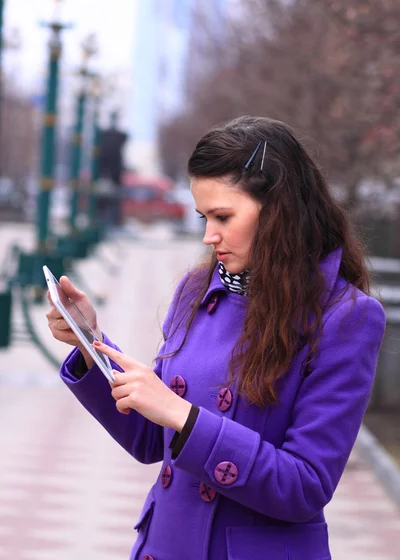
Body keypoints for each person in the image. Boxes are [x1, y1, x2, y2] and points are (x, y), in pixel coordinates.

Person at [46, 116, 386, 560]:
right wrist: (92, 346)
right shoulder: (198, 289)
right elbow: (152, 439)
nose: (210, 236)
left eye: (223, 216)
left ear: (279, 209)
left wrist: (186, 417)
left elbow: (305, 486)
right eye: (203, 216)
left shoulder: (346, 318)